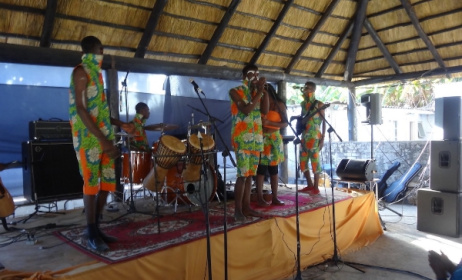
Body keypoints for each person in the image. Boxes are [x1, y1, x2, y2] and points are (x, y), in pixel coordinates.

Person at [69, 36, 134, 252]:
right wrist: (104, 140)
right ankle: (90, 232)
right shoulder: (81, 72)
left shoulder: (97, 75)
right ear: (101, 50)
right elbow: (80, 109)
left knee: (107, 184)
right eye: (101, 50)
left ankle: (96, 228)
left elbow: (101, 112)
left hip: (104, 136)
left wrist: (120, 124)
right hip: (90, 140)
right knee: (91, 187)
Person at [229, 64, 269, 222]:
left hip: (256, 139)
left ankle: (247, 208)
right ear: (245, 76)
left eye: (258, 74)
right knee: (242, 175)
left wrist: (263, 91)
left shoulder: (257, 93)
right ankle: (237, 211)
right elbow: (246, 110)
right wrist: (259, 91)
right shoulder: (235, 91)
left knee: (250, 174)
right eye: (252, 74)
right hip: (241, 139)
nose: (256, 77)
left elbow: (264, 111)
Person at [255, 84, 287, 206]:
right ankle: (259, 197)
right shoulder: (259, 103)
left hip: (274, 140)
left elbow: (285, 124)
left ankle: (275, 197)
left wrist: (270, 123)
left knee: (274, 171)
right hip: (262, 139)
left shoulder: (279, 105)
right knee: (261, 170)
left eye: (264, 93)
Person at [298, 81, 326, 195]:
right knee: (303, 161)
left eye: (307, 88)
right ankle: (309, 185)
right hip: (304, 136)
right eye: (304, 87)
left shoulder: (319, 104)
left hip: (315, 137)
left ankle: (316, 187)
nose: (305, 89)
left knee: (315, 161)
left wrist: (323, 138)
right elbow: (302, 120)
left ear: (313, 90)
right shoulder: (303, 104)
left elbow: (324, 122)